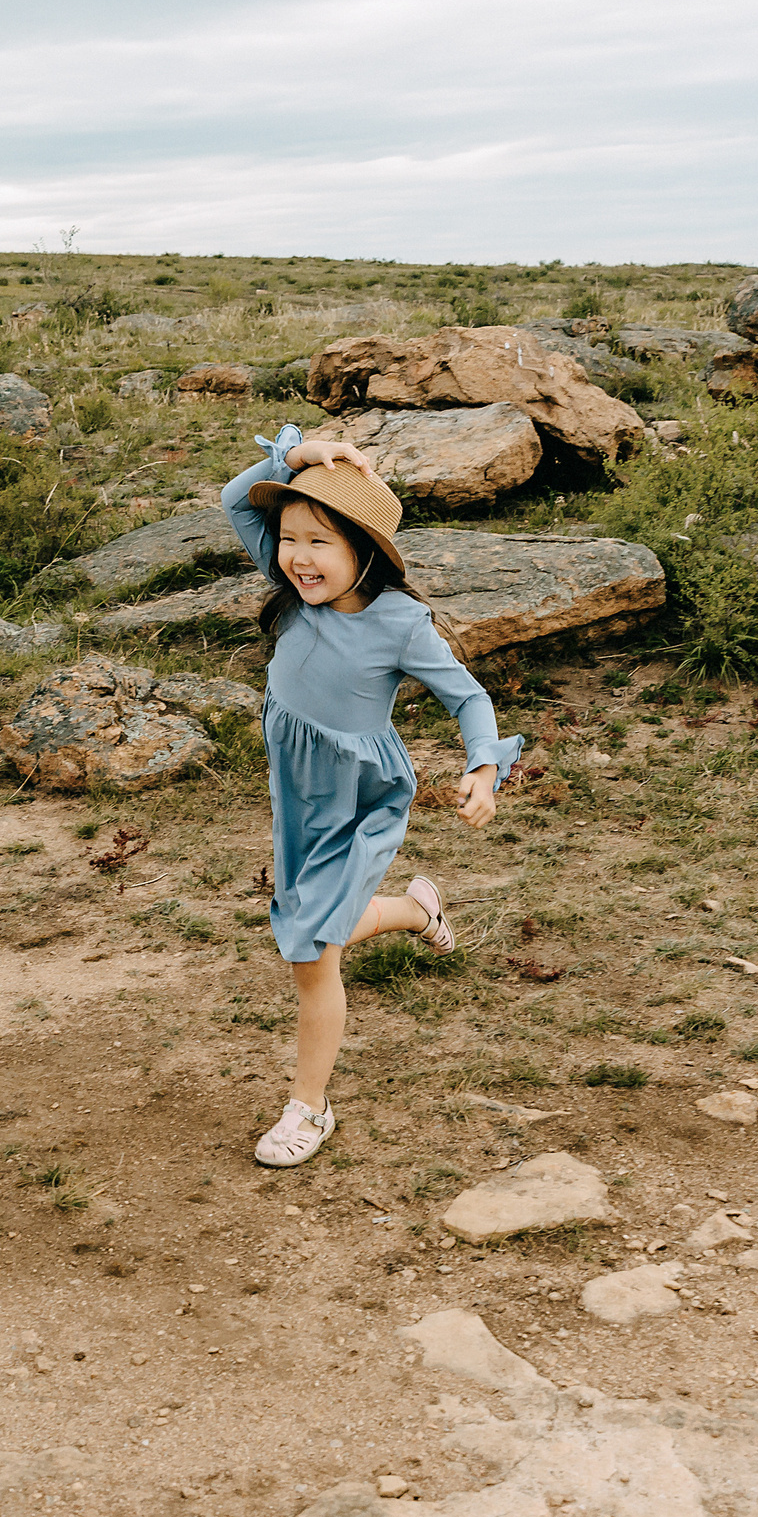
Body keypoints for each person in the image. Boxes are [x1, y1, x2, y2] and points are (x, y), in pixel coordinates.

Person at [224, 422, 521, 1167]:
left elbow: (470, 699)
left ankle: (309, 1108)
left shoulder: (399, 622)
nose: (297, 555)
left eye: (320, 541)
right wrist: (297, 457)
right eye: (289, 536)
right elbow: (236, 498)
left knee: (310, 951)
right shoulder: (295, 591)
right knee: (314, 928)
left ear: (366, 552)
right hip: (296, 791)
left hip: (358, 797)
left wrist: (484, 768)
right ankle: (420, 909)